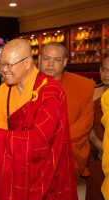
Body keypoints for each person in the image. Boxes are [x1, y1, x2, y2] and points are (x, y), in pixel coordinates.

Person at [0, 38, 78, 200]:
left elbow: (40, 140)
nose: (3, 70)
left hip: (42, 174)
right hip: (13, 168)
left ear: (28, 63)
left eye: (9, 65)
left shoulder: (49, 91)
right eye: (1, 64)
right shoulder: (5, 89)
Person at [38, 42, 95, 176]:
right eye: (46, 59)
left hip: (67, 151)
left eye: (57, 60)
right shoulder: (26, 83)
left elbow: (85, 123)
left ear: (64, 62)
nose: (50, 64)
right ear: (39, 60)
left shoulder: (83, 85)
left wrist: (56, 142)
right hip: (35, 152)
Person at [85, 57, 109, 200]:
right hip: (94, 153)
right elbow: (85, 122)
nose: (106, 74)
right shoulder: (93, 92)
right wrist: (96, 142)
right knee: (94, 194)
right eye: (104, 69)